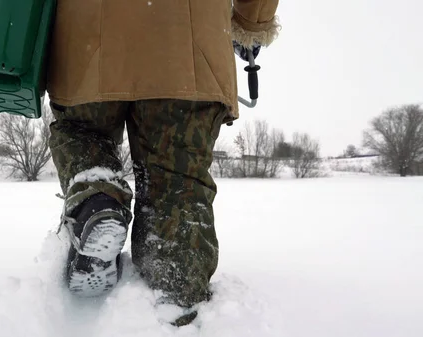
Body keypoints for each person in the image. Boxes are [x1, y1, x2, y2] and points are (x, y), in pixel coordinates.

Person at [46, 0, 280, 326]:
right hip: (190, 44)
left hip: (86, 39)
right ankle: (177, 297)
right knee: (176, 179)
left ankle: (96, 200)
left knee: (83, 134)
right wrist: (251, 24)